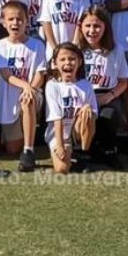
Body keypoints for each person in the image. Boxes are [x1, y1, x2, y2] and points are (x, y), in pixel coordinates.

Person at [0, 1, 47, 172]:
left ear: (27, 21)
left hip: (32, 94)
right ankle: (23, 136)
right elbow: (6, 75)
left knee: (27, 101)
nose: (15, 23)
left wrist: (31, 89)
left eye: (20, 19)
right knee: (11, 149)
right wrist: (26, 86)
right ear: (3, 21)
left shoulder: (37, 45)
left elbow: (40, 73)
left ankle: (29, 151)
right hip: (10, 97)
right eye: (11, 19)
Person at [76, 7, 128, 166]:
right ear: (81, 27)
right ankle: (87, 150)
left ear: (106, 27)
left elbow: (124, 81)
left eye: (97, 26)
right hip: (81, 95)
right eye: (88, 26)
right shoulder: (76, 50)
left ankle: (107, 149)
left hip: (107, 94)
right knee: (86, 116)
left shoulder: (116, 49)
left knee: (108, 115)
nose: (92, 30)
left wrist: (109, 96)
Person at [44, 43, 97, 174]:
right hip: (59, 133)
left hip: (77, 131)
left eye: (72, 59)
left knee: (87, 110)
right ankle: (67, 153)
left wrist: (84, 115)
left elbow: (94, 115)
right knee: (62, 169)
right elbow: (56, 118)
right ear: (55, 63)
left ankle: (83, 153)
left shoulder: (86, 85)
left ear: (79, 62)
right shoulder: (52, 85)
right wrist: (60, 146)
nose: (68, 63)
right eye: (62, 59)